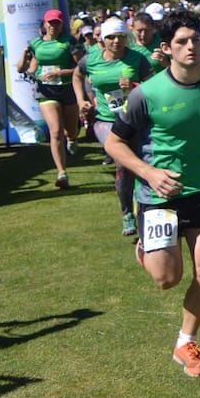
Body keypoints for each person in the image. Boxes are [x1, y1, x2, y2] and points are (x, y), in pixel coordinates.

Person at [105, 8, 200, 377]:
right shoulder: (147, 93)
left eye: (195, 40)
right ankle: (146, 247)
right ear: (167, 48)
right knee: (167, 279)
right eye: (182, 42)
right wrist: (148, 172)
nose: (191, 47)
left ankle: (186, 341)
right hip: (160, 192)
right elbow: (114, 143)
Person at [73, 16, 152, 235]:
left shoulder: (137, 59)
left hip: (134, 119)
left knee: (135, 165)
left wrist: (135, 85)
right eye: (110, 37)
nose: (116, 42)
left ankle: (143, 205)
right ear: (103, 39)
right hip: (105, 120)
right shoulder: (91, 59)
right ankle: (127, 212)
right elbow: (77, 76)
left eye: (120, 37)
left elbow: (154, 86)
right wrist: (82, 101)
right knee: (122, 160)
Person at [19, 8, 83, 189]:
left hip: (67, 89)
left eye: (57, 23)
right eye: (50, 23)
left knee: (70, 130)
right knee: (55, 131)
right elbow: (28, 68)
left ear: (62, 24)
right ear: (45, 24)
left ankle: (72, 139)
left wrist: (60, 72)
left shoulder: (69, 42)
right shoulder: (36, 44)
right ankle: (62, 173)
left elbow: (82, 67)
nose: (53, 26)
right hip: (45, 91)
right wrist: (30, 69)